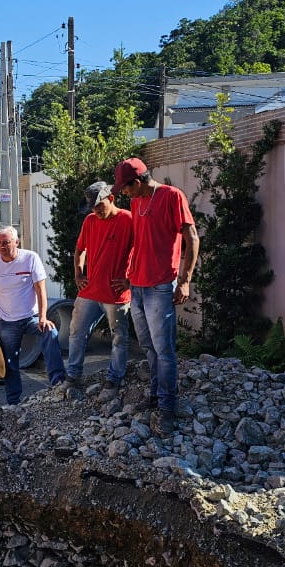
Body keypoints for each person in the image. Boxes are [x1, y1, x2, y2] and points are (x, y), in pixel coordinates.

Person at [114, 157, 199, 436]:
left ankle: (167, 407)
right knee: (148, 346)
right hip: (137, 286)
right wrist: (129, 272)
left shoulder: (171, 197)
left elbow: (192, 238)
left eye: (125, 189)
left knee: (164, 350)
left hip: (160, 285)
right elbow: (139, 241)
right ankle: (154, 395)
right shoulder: (137, 202)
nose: (123, 194)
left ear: (136, 182)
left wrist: (184, 281)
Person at [0, 225, 65, 406]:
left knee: (51, 333)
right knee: (9, 362)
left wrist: (43, 317)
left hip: (31, 317)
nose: (2, 246)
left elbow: (40, 290)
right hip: (7, 321)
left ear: (16, 242)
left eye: (6, 242)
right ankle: (14, 402)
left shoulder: (30, 258)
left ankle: (58, 383)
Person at [64, 180, 134, 395]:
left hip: (116, 293)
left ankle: (114, 378)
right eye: (92, 208)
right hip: (90, 290)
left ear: (111, 198)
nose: (96, 211)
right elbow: (80, 249)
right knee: (76, 332)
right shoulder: (90, 221)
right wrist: (78, 273)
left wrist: (130, 279)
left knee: (119, 337)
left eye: (99, 206)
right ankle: (73, 375)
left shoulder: (128, 220)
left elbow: (144, 250)